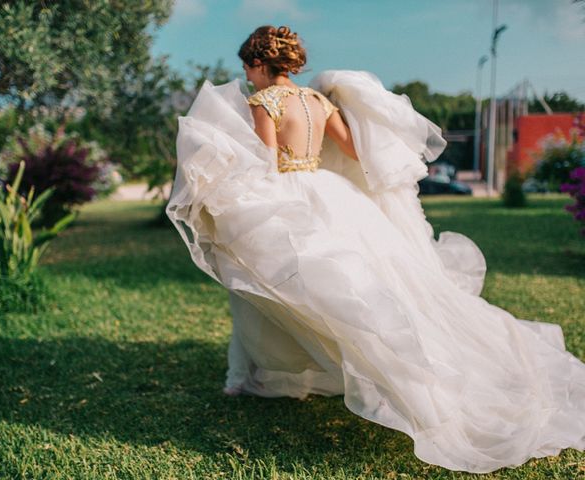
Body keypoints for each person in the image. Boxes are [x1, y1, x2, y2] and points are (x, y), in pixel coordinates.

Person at [166, 25, 585, 474]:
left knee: (262, 281)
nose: (247, 78)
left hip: (287, 196)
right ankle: (270, 374)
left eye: (248, 69)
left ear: (258, 63)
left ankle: (254, 377)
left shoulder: (263, 103)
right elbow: (356, 150)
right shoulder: (320, 102)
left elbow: (266, 163)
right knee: (343, 287)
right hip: (332, 195)